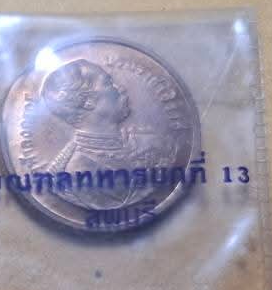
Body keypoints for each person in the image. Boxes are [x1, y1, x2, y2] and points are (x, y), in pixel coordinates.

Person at [40, 59, 175, 210]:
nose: (121, 88)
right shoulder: (79, 172)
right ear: (87, 102)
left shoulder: (145, 143)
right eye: (109, 83)